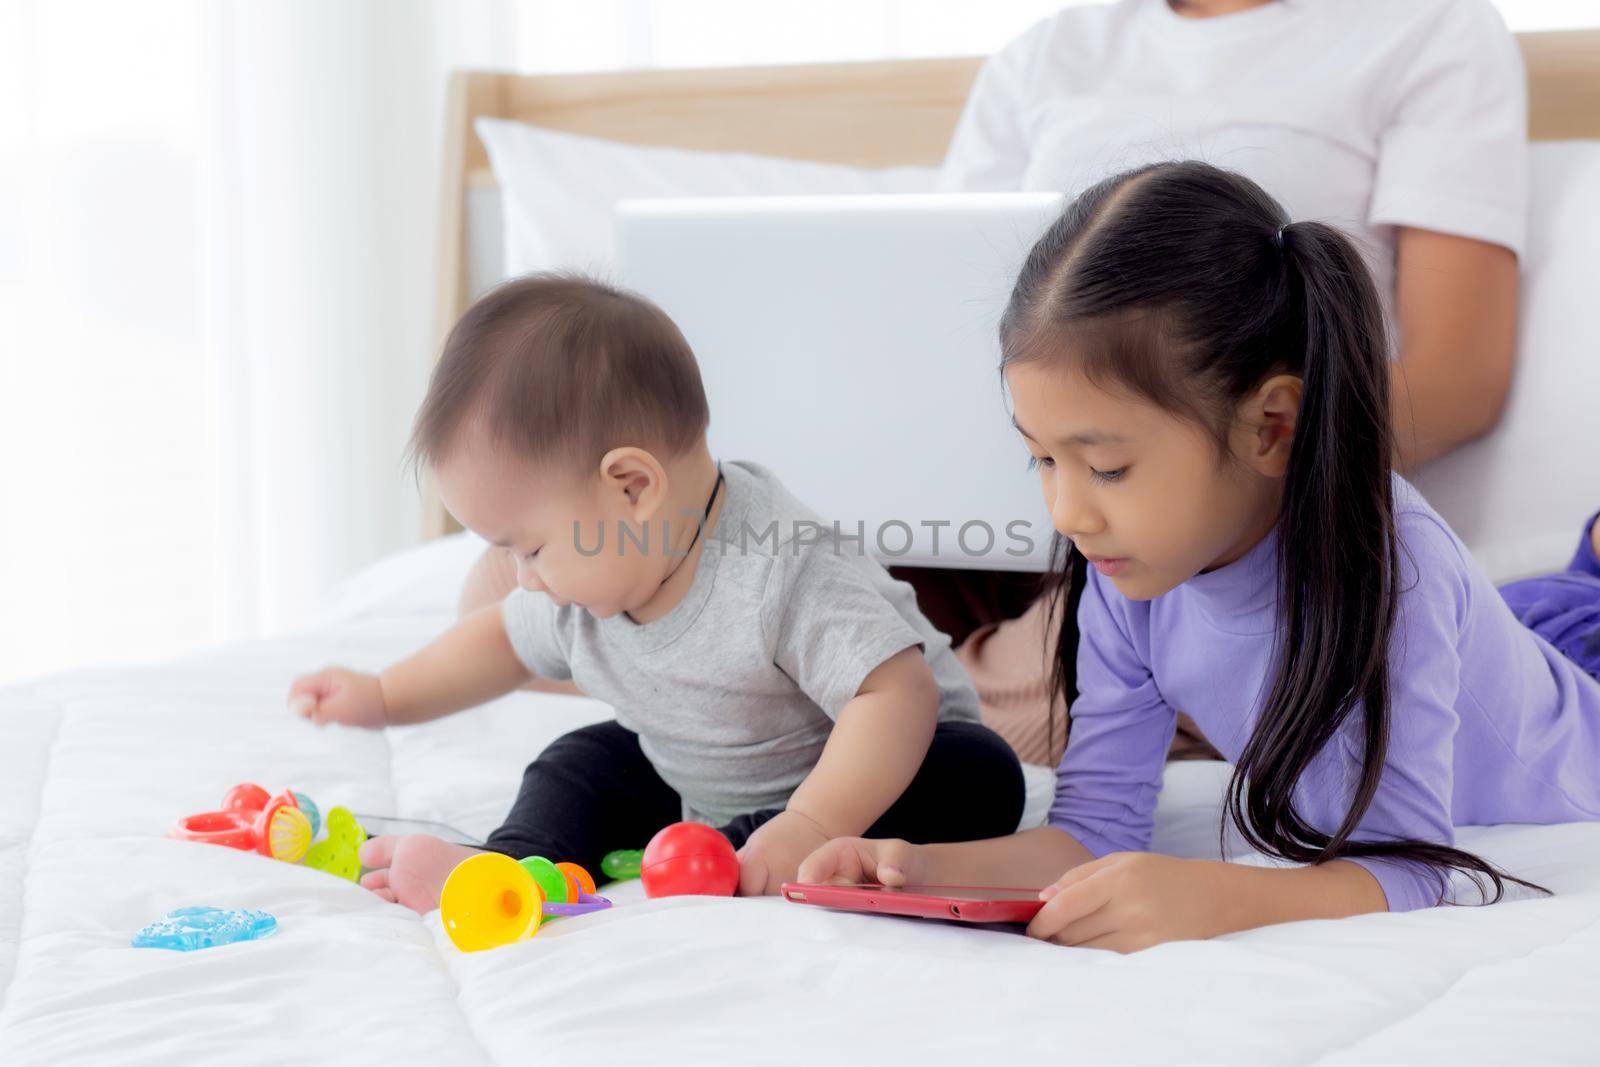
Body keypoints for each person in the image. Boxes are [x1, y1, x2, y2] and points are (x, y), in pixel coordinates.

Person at [798, 162, 1600, 952]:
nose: (1068, 512)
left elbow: (1409, 870)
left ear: (1270, 426)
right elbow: (1092, 830)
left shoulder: (1390, 564)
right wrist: (913, 866)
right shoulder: (1124, 573)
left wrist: (1210, 894)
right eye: (1041, 459)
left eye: (1107, 467)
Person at [285, 274, 1023, 912]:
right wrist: (383, 694)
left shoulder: (780, 566)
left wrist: (813, 821)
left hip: (872, 770)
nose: (525, 575)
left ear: (632, 487)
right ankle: (512, 868)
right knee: (581, 762)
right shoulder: (583, 585)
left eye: (529, 547)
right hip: (697, 776)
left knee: (982, 775)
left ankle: (738, 849)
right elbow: (498, 641)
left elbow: (896, 695)